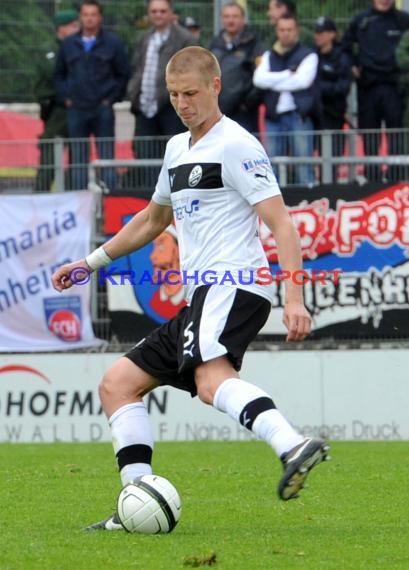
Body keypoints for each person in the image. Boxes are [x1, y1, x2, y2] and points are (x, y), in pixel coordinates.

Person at [51, 46, 329, 531]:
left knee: (209, 382)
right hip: (203, 295)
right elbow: (154, 219)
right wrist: (91, 262)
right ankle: (133, 500)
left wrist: (295, 297)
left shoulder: (236, 145)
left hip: (235, 283)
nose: (182, 103)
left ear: (215, 87)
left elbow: (282, 225)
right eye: (175, 94)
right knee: (118, 384)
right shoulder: (178, 148)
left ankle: (292, 444)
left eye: (191, 93)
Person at [54, 0, 130, 191]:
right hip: (77, 109)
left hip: (102, 108)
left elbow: (123, 74)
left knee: (106, 155)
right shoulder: (69, 44)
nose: (89, 18)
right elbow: (58, 74)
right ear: (80, 17)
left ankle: (109, 199)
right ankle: (80, 199)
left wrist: (110, 99)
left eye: (93, 14)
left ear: (100, 17)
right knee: (78, 157)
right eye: (85, 14)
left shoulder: (113, 43)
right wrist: (66, 99)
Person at [127, 0, 197, 190]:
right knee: (145, 155)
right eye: (154, 11)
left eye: (162, 11)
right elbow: (137, 68)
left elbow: (191, 72)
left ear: (171, 13)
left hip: (172, 107)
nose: (158, 15)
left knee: (176, 154)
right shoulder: (144, 38)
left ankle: (177, 194)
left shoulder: (185, 39)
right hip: (144, 106)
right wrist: (133, 93)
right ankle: (150, 197)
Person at [341, 0, 409, 182]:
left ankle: (397, 179)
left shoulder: (405, 20)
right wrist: (352, 66)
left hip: (395, 88)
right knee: (370, 137)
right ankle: (372, 180)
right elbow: (345, 48)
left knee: (397, 137)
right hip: (368, 87)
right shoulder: (361, 20)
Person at [253, 15, 319, 186]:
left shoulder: (309, 55)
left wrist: (272, 81)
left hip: (299, 115)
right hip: (273, 116)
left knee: (304, 163)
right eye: (282, 30)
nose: (286, 34)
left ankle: (310, 200)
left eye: (289, 29)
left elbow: (302, 82)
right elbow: (258, 80)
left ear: (296, 31)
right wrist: (287, 75)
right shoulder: (269, 55)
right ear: (277, 31)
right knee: (272, 163)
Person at [33, 10, 80, 192]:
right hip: (55, 110)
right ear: (61, 29)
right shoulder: (50, 50)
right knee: (50, 155)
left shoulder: (80, 47)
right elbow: (49, 74)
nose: (78, 29)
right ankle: (40, 194)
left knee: (77, 156)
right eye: (73, 26)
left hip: (77, 108)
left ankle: (73, 193)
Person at [209, 1, 267, 133]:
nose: (230, 20)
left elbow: (261, 76)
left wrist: (247, 104)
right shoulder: (215, 43)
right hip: (218, 110)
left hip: (244, 113)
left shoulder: (255, 43)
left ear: (243, 18)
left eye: (234, 16)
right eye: (226, 16)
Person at [313, 16, 352, 181]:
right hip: (315, 114)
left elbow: (343, 87)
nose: (318, 36)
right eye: (317, 32)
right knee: (314, 156)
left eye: (322, 32)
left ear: (332, 34)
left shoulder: (342, 58)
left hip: (334, 114)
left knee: (333, 157)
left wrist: (319, 86)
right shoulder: (312, 56)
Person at [149, 225, 187, 320]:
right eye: (154, 247)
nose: (153, 256)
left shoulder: (196, 298)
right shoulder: (154, 302)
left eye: (161, 247)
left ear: (179, 251)